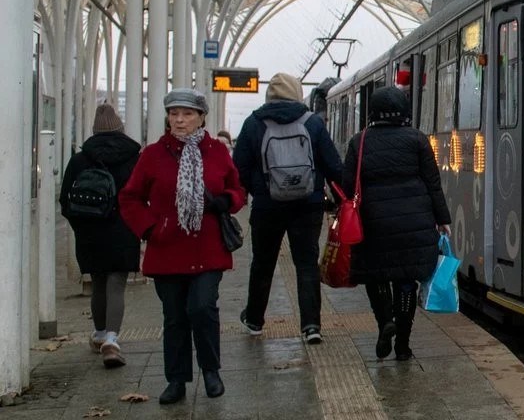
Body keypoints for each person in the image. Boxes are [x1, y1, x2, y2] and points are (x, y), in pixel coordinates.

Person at [119, 89, 246, 405]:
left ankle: (211, 371)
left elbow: (238, 189)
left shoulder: (217, 152)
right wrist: (151, 227)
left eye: (187, 114)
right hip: (167, 249)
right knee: (175, 316)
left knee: (202, 307)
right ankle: (176, 380)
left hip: (208, 248)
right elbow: (130, 197)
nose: (179, 120)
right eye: (174, 113)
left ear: (201, 117)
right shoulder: (153, 155)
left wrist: (226, 200)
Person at [232, 72, 343, 344]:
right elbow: (333, 165)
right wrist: (342, 196)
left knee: (262, 263)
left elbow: (239, 168)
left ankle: (255, 320)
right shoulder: (313, 123)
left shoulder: (254, 123)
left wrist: (258, 189)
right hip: (308, 205)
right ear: (297, 93)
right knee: (306, 264)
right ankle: (311, 326)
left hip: (267, 206)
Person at [343, 86, 451, 361]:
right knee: (406, 281)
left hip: (373, 223)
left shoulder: (359, 142)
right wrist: (442, 219)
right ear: (404, 110)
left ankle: (385, 323)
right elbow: (433, 183)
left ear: (373, 112)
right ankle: (403, 344)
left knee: (376, 276)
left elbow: (347, 185)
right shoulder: (417, 139)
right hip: (414, 223)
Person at [59, 102, 141, 368]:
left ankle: (99, 333)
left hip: (90, 231)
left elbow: (65, 200)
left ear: (94, 130)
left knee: (98, 282)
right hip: (124, 228)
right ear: (120, 128)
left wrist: (80, 227)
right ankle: (112, 340)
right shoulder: (134, 158)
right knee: (117, 282)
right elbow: (143, 194)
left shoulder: (80, 159)